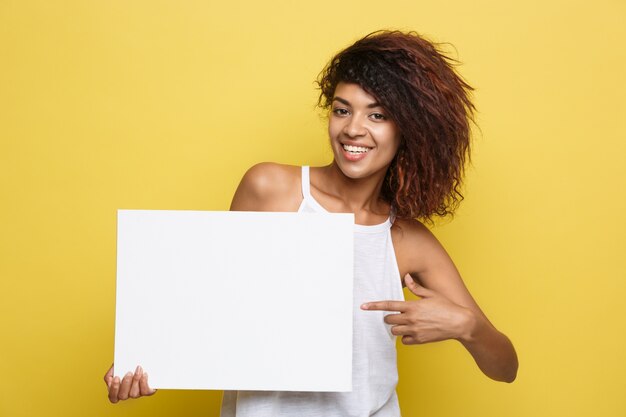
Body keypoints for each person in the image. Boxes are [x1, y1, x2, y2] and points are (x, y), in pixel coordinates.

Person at [104, 30, 518, 415]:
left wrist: (467, 326)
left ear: (409, 130)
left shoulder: (407, 240)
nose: (353, 129)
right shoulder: (271, 189)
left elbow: (505, 366)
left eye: (377, 116)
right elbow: (210, 308)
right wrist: (145, 359)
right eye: (342, 110)